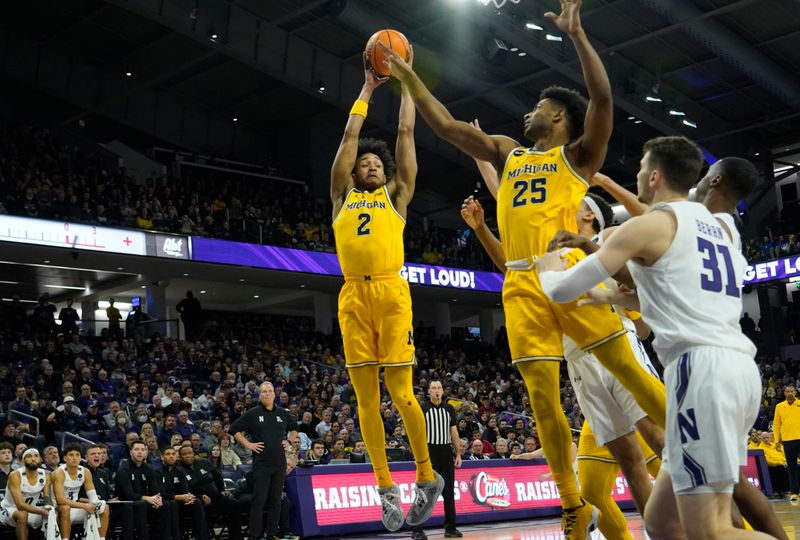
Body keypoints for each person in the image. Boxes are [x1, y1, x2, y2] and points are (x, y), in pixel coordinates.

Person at [382, 1, 665, 535]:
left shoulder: (578, 157)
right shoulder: (509, 152)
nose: (527, 112)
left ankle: (694, 449)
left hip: (566, 268)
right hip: (518, 281)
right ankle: (571, 503)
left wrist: (577, 37)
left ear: (557, 116)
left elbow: (602, 98)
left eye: (537, 105)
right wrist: (407, 76)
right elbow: (443, 126)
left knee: (627, 368)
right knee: (540, 394)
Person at [536, 136, 768, 540]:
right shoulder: (720, 228)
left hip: (701, 373)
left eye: (642, 168)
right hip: (735, 369)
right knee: (661, 522)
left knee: (709, 529)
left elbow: (559, 290)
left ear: (655, 176)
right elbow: (666, 290)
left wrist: (544, 268)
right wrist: (608, 294)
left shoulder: (648, 226)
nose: (639, 175)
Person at [330, 42, 443, 534]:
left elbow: (404, 131)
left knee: (401, 393)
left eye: (377, 165)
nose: (371, 166)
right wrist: (365, 89)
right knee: (365, 402)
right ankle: (385, 490)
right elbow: (349, 139)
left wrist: (406, 84)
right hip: (353, 295)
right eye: (364, 165)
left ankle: (425, 475)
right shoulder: (341, 195)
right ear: (354, 173)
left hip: (393, 295)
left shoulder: (398, 196)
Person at [230, 382, 297, 540]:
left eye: (270, 391)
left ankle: (271, 534)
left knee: (276, 501)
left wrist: (290, 441)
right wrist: (248, 444)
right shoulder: (253, 413)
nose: (267, 394)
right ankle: (254, 536)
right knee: (259, 501)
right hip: (261, 464)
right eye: (264, 392)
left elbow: (294, 427)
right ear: (260, 395)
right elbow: (233, 429)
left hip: (279, 464)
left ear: (275, 394)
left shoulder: (282, 413)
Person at [411, 380, 462, 540]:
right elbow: (416, 433)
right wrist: (419, 456)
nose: (437, 391)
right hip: (428, 452)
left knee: (448, 492)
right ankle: (417, 530)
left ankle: (450, 528)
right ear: (429, 392)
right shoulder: (423, 408)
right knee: (424, 493)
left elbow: (453, 432)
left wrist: (458, 453)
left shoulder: (449, 409)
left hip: (446, 452)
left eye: (439, 388)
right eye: (433, 388)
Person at [115, 440, 179, 540]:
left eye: (143, 450)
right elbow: (128, 494)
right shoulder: (123, 469)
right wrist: (147, 498)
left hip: (144, 502)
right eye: (136, 449)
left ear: (146, 452)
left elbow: (155, 489)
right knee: (141, 504)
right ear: (131, 452)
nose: (140, 452)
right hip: (127, 503)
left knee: (166, 504)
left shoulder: (149, 469)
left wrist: (157, 499)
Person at [177, 445, 242, 540]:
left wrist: (222, 490)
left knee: (235, 504)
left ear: (194, 454)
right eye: (184, 454)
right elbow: (181, 490)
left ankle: (235, 537)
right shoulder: (178, 470)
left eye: (190, 453)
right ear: (180, 457)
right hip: (197, 503)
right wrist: (199, 497)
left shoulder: (204, 462)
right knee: (200, 512)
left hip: (215, 498)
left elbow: (217, 476)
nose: (188, 456)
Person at [52, 443, 110, 540]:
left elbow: (93, 496)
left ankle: (101, 538)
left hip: (75, 507)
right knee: (65, 508)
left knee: (105, 507)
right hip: (57, 509)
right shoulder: (59, 472)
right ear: (65, 458)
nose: (74, 458)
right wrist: (84, 505)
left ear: (80, 458)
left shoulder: (85, 471)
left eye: (77, 455)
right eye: (71, 455)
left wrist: (95, 504)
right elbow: (60, 500)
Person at [85, 444, 137, 540]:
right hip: (90, 507)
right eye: (93, 454)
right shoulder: (83, 472)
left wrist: (111, 498)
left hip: (106, 504)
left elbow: (109, 492)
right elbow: (78, 497)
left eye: (99, 454)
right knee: (106, 508)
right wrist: (94, 500)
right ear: (86, 457)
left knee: (127, 508)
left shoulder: (104, 473)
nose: (97, 456)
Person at [0, 448, 51, 540]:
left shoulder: (46, 474)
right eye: (29, 456)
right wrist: (41, 511)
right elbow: (20, 505)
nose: (33, 458)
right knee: (22, 515)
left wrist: (49, 508)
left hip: (31, 509)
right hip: (9, 509)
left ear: (40, 459)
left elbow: (47, 497)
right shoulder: (15, 475)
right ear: (23, 461)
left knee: (56, 513)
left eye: (36, 456)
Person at [160, 447, 209, 540]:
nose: (171, 457)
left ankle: (203, 537)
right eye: (168, 454)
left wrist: (189, 497)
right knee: (172, 504)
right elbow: (159, 494)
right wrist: (179, 497)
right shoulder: (157, 472)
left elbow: (185, 490)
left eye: (173, 454)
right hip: (165, 502)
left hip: (180, 502)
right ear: (162, 457)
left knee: (197, 502)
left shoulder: (180, 470)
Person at [773, 385, 800, 502]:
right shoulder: (779, 406)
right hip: (787, 440)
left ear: (795, 392)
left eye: (792, 391)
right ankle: (794, 492)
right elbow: (777, 425)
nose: (790, 393)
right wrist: (776, 440)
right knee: (792, 468)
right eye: (788, 391)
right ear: (784, 393)